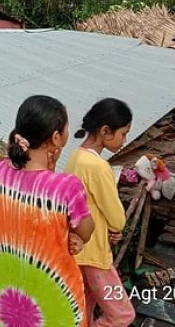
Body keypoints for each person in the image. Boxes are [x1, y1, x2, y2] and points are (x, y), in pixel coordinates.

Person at [0, 95, 95, 327]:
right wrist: (76, 236)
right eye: (66, 128)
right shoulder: (68, 186)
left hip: (11, 293)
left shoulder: (2, 172)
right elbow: (86, 230)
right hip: (55, 298)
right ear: (56, 138)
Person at [65, 98, 136, 327]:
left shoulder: (75, 156)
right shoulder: (98, 167)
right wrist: (115, 228)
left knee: (82, 308)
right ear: (105, 131)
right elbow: (117, 217)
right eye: (123, 133)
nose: (124, 140)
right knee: (122, 314)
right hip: (95, 253)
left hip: (76, 250)